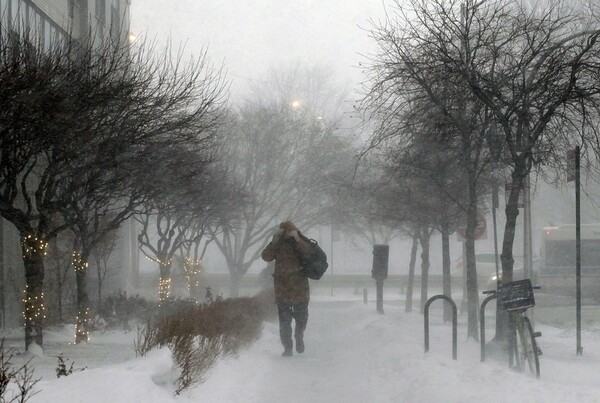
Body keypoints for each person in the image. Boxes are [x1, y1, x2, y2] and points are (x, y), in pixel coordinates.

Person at [261, 220, 311, 357]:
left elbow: (309, 254)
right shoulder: (278, 243)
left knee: (287, 320)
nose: (286, 233)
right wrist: (274, 242)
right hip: (295, 288)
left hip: (287, 288)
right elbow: (266, 256)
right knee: (291, 319)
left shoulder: (299, 240)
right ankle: (291, 343)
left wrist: (297, 239)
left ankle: (294, 340)